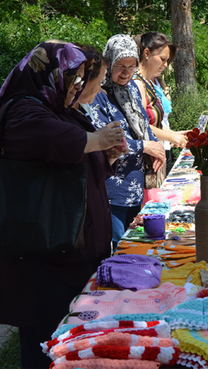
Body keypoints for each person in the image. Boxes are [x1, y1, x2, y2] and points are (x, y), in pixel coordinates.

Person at [0, 41, 125, 368]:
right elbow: (53, 139)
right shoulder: (23, 109)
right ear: (52, 73)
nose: (80, 86)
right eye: (76, 78)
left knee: (72, 342)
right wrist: (97, 140)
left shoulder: (57, 107)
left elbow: (73, 164)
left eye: (83, 79)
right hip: (46, 260)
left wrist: (105, 154)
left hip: (70, 257)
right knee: (46, 345)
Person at [91, 34, 166, 246]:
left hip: (136, 184)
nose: (126, 72)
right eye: (120, 66)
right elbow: (103, 139)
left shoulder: (132, 88)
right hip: (112, 189)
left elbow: (142, 122)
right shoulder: (98, 93)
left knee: (135, 244)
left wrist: (156, 147)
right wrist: (145, 146)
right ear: (108, 63)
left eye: (132, 66)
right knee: (117, 246)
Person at [132, 31, 186, 177]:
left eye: (167, 60)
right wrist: (171, 137)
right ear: (147, 53)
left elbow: (155, 124)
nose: (165, 64)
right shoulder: (138, 83)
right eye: (162, 59)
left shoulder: (148, 82)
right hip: (143, 163)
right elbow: (140, 126)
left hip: (154, 158)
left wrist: (173, 134)